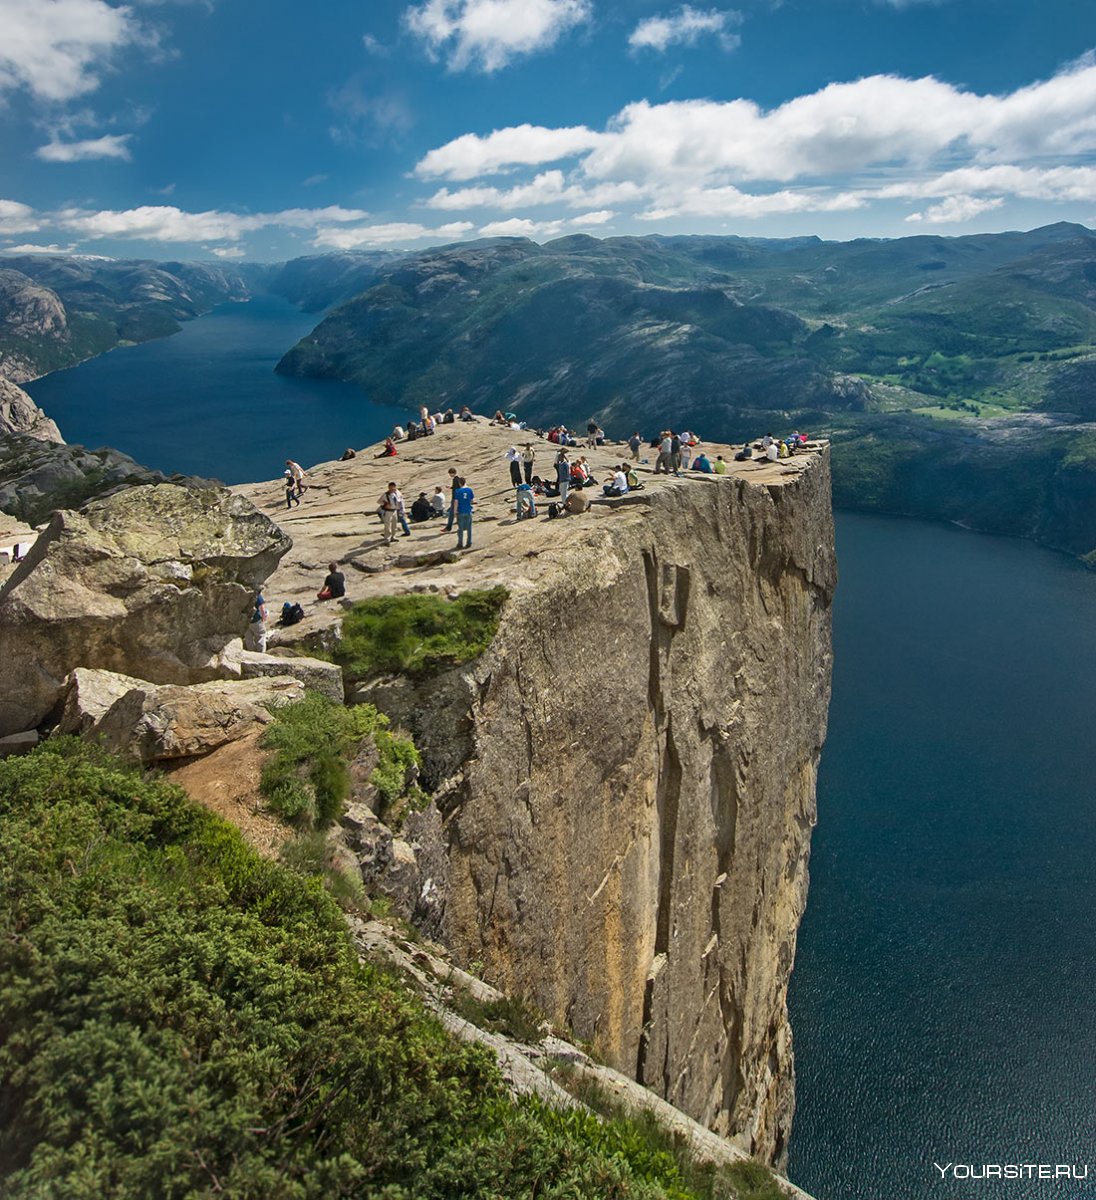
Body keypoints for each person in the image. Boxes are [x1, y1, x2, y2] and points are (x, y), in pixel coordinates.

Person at [453, 476, 474, 549]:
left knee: (460, 529)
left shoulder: (457, 491)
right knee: (469, 528)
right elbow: (472, 501)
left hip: (460, 511)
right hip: (468, 510)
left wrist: (455, 512)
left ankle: (460, 543)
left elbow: (456, 502)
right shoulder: (469, 490)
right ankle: (469, 542)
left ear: (459, 483)